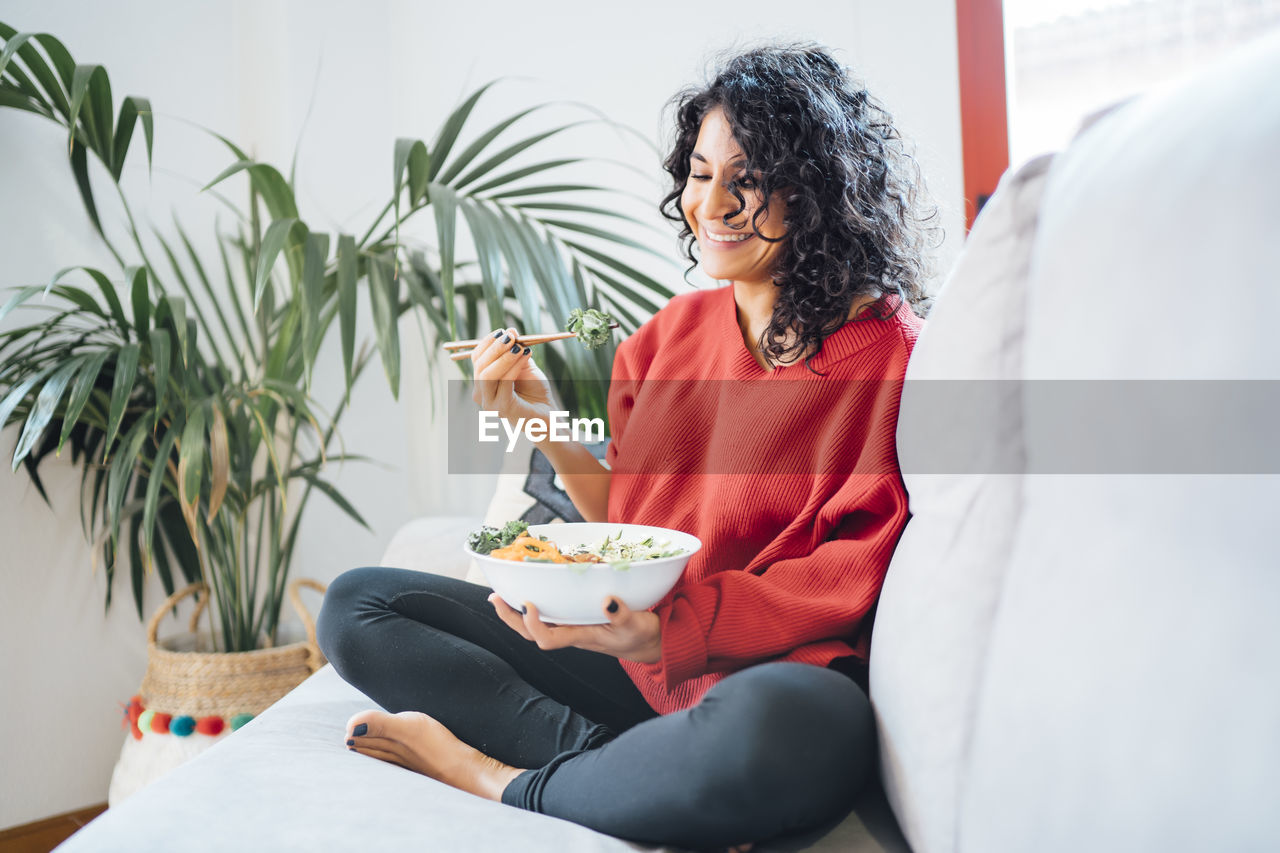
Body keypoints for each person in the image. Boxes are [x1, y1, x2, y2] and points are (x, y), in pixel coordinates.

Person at [316, 43, 935, 853]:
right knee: (359, 606)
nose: (707, 204)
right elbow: (630, 520)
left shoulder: (890, 355)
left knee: (791, 730)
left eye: (742, 179)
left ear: (812, 193)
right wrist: (538, 418)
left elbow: (838, 577)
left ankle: (491, 775)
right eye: (699, 173)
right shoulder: (663, 340)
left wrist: (671, 631)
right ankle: (622, 773)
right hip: (631, 663)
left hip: (763, 677)